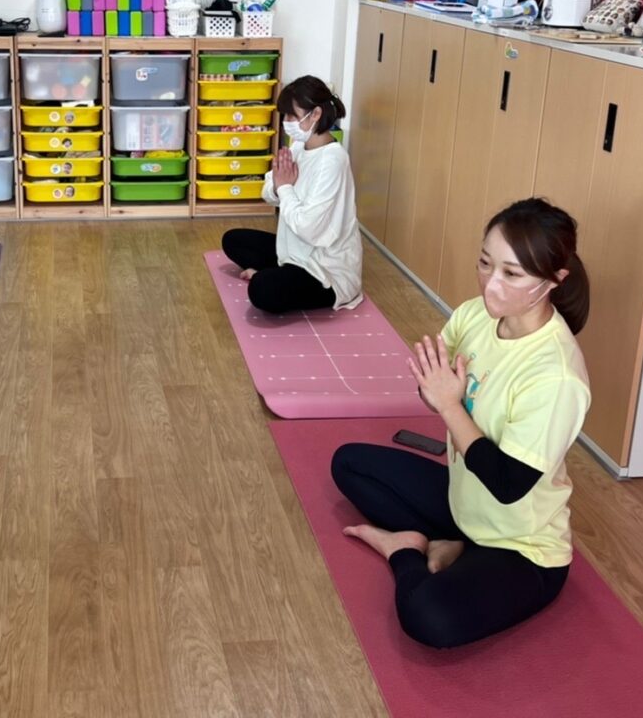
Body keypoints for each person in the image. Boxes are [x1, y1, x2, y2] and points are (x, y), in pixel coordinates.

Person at [330, 197, 591, 649]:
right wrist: (433, 389)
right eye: (485, 263)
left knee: (430, 618)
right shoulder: (474, 316)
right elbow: (435, 391)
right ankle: (453, 544)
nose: (492, 283)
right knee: (349, 463)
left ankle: (404, 550)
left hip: (521, 546)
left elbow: (508, 484)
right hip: (463, 501)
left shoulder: (557, 376)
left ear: (554, 280)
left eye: (512, 274)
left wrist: (450, 405)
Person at [221, 75, 363, 314]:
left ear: (315, 114)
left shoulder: (333, 160)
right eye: (285, 115)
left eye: (291, 116)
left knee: (261, 290)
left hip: (326, 268)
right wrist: (280, 186)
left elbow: (309, 228)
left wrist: (285, 188)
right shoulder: (299, 145)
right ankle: (279, 273)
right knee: (233, 240)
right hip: (294, 249)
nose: (286, 122)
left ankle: (275, 276)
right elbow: (268, 191)